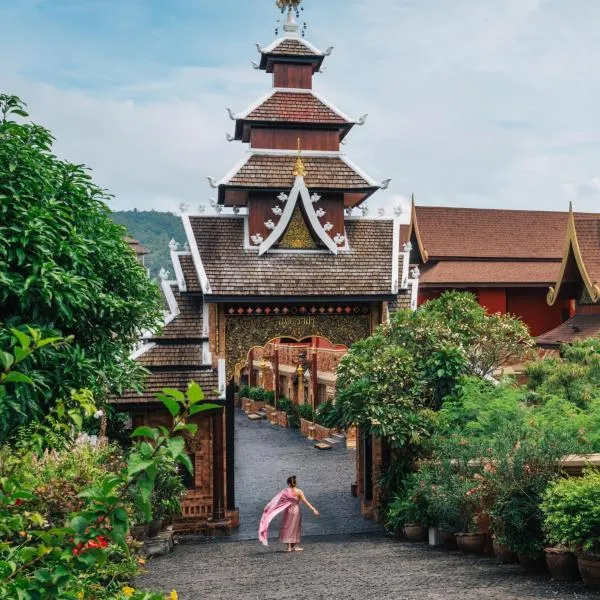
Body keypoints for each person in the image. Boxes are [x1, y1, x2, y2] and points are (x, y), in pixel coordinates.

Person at [258, 475, 319, 551]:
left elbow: (276, 500)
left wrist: (268, 508)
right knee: (296, 527)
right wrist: (314, 510)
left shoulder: (285, 491)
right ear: (295, 483)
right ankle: (296, 546)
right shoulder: (299, 492)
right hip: (296, 510)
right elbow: (306, 502)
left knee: (287, 527)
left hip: (288, 511)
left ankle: (289, 547)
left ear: (289, 483)